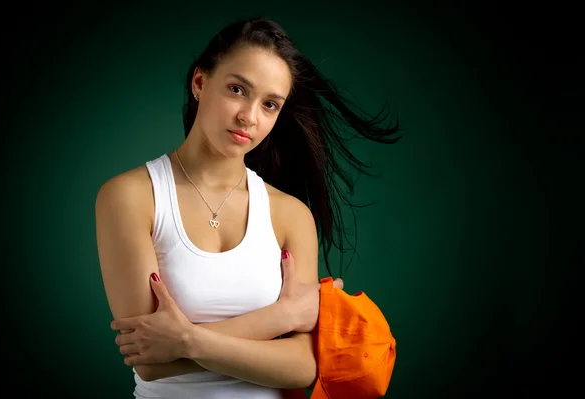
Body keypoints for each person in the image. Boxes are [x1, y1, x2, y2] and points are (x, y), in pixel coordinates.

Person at [96, 16, 400, 399]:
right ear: (200, 83)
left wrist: (186, 340)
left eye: (270, 104)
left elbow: (304, 367)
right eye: (237, 89)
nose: (249, 116)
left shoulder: (290, 215)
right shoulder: (130, 196)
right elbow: (151, 361)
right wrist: (282, 317)